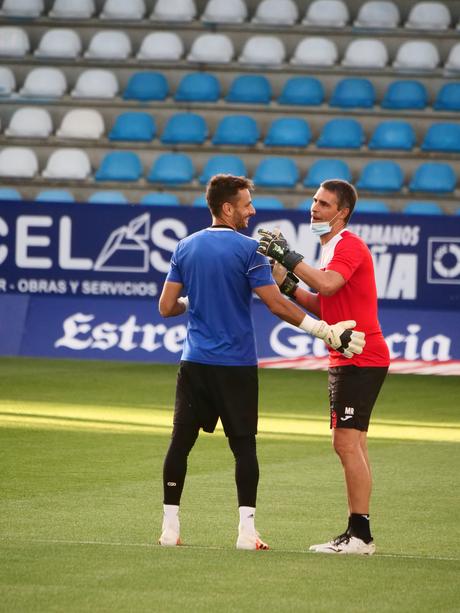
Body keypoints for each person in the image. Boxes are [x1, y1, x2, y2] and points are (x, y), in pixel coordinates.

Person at [158, 174, 365, 550]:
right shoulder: (249, 250)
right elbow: (276, 304)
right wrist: (325, 332)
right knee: (244, 448)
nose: (252, 210)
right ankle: (246, 532)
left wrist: (195, 303)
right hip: (236, 365)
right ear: (227, 208)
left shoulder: (184, 247)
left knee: (180, 443)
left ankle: (170, 529)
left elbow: (167, 306)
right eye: (246, 204)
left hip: (194, 363)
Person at [258, 179, 389, 555]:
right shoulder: (332, 247)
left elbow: (329, 286)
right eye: (314, 201)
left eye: (324, 204)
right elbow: (325, 306)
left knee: (346, 443)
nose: (314, 208)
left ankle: (360, 536)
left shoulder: (347, 244)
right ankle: (359, 532)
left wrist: (288, 256)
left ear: (342, 212)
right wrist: (288, 285)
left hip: (359, 355)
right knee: (354, 444)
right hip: (354, 354)